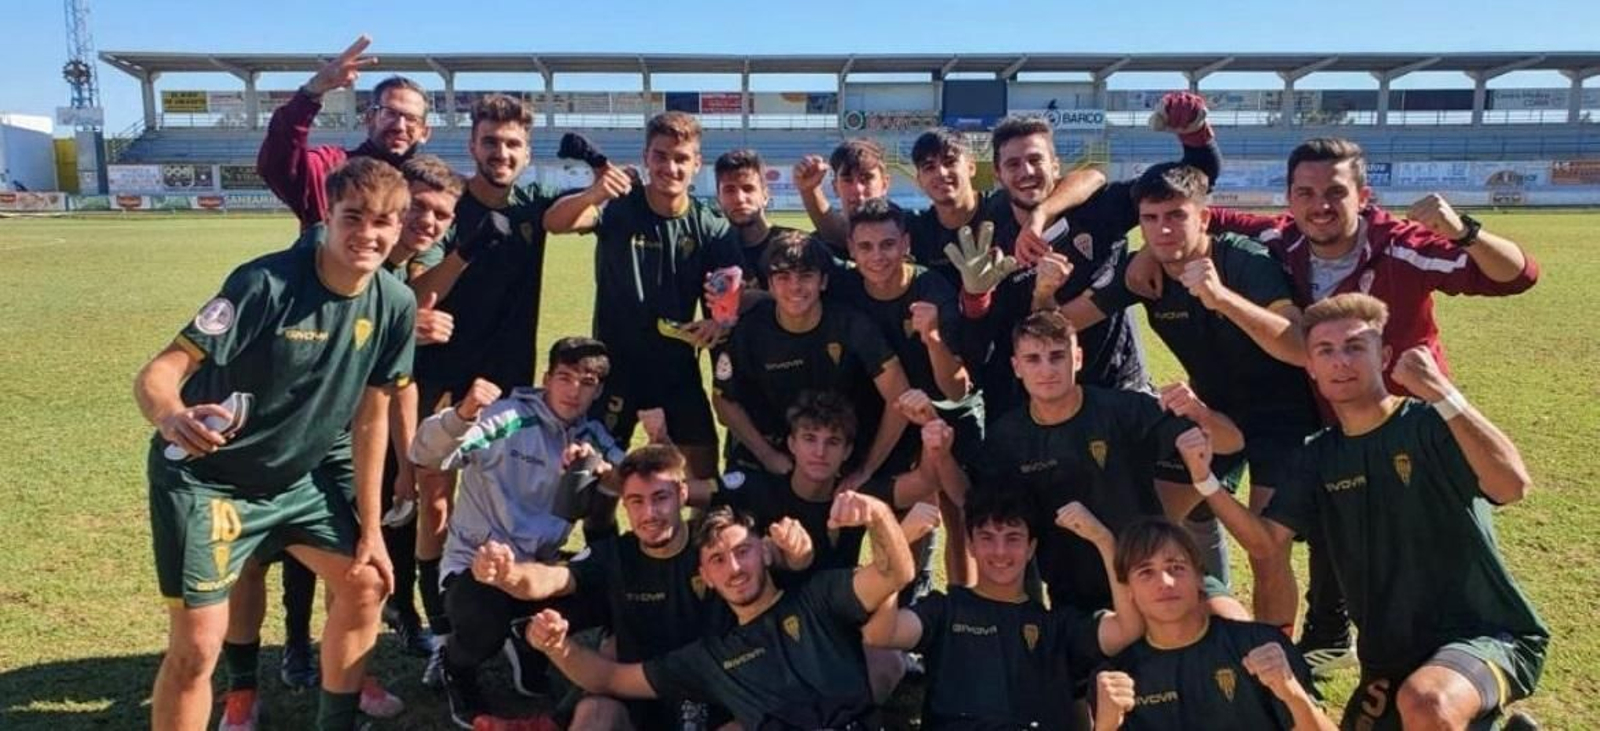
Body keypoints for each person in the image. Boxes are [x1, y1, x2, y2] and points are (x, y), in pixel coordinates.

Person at [1124, 136, 1542, 672]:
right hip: (1323, 417)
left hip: (1405, 416)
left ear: (1362, 194)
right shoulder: (1283, 235)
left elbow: (1517, 276)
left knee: (1423, 533)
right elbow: (1194, 216)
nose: (1320, 205)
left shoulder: (1399, 243)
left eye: (1335, 192)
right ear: (1291, 198)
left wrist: (1466, 231)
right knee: (1330, 528)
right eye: (1306, 193)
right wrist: (1146, 247)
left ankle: (1475, 645)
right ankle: (1318, 639)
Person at [135, 158, 415, 731]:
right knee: (196, 652)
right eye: (353, 217)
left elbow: (372, 417)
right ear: (327, 218)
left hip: (298, 483)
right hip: (208, 481)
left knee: (365, 584)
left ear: (400, 225)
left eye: (383, 221)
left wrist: (370, 529)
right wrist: (171, 416)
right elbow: (158, 373)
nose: (368, 234)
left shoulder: (395, 302)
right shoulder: (264, 283)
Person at [1181, 293, 1548, 730]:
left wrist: (1445, 394)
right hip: (1390, 661)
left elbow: (1513, 485)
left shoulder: (1430, 423)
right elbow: (1265, 543)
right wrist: (1204, 479)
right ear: (1311, 368)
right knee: (1418, 704)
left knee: (1429, 704)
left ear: (1385, 355)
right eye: (1325, 351)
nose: (1341, 361)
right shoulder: (1316, 457)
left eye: (1355, 346)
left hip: (1485, 635)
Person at [1065, 162, 1318, 627]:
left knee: (1266, 548)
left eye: (1176, 215)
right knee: (1150, 527)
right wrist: (1035, 295)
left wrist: (1221, 298)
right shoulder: (1145, 271)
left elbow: (1300, 347)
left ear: (1204, 217)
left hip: (1282, 422)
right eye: (1150, 218)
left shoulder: (1243, 261)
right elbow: (1068, 320)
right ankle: (1178, 632)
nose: (1163, 229)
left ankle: (1274, 653)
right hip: (1209, 415)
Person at [467, 443, 815, 730]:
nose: (650, 513)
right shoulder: (617, 554)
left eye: (660, 497)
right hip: (636, 687)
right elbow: (555, 578)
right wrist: (508, 575)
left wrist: (797, 555)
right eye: (636, 501)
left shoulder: (714, 549)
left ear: (681, 494)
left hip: (717, 693)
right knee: (594, 715)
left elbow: (773, 566)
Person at [524, 490, 918, 730]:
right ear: (705, 577)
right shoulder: (711, 658)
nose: (733, 569)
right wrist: (558, 648)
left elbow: (895, 572)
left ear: (765, 552)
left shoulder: (819, 598)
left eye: (742, 551)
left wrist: (879, 515)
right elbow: (610, 678)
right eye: (717, 560)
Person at [954, 93, 1222, 422]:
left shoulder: (1099, 209)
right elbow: (1000, 329)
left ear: (1055, 165)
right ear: (997, 175)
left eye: (1036, 160)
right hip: (1041, 401)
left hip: (1116, 386)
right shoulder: (991, 232)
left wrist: (1193, 131)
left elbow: (1198, 175)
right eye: (1013, 164)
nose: (1026, 171)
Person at [408, 338, 627, 727]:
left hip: (537, 571)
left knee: (613, 591)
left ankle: (526, 638)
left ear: (599, 390)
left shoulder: (591, 435)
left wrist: (606, 472)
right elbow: (426, 453)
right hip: (477, 568)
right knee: (484, 623)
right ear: (546, 378)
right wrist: (461, 415)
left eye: (587, 382)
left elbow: (635, 479)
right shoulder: (507, 417)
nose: (574, 391)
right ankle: (455, 666)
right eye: (565, 377)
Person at [976, 309, 1246, 617]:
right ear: (1016, 367)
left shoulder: (1123, 410)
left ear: (1077, 358)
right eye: (1033, 359)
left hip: (1155, 572)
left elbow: (1232, 443)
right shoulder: (1007, 440)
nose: (1047, 370)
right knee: (1110, 661)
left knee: (1234, 624)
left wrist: (1200, 415)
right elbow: (981, 513)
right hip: (1080, 597)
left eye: (1057, 356)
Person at [544, 111, 741, 478]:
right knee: (591, 483)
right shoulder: (619, 207)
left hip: (678, 370)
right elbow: (555, 222)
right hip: (614, 369)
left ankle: (698, 537)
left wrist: (719, 321)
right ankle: (601, 538)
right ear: (646, 158)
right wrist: (596, 191)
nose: (670, 167)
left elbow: (732, 289)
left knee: (704, 478)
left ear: (696, 164)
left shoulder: (709, 225)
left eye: (681, 158)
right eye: (661, 156)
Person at [862, 489, 1144, 729]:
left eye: (1013, 538)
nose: (1000, 551)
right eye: (987, 538)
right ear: (970, 545)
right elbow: (880, 633)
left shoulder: (1057, 625)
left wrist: (1104, 541)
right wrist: (898, 542)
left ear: (1031, 547)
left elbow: (1128, 627)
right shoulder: (945, 610)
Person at [1091, 519, 1334, 730]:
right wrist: (1105, 726)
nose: (1165, 581)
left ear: (1199, 579)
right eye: (1146, 572)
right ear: (1128, 590)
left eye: (1176, 567)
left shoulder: (1259, 646)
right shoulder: (1119, 676)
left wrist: (1293, 696)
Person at [711, 231, 911, 487]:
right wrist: (767, 455)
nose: (795, 286)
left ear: (823, 281)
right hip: (770, 458)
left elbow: (899, 397)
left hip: (838, 460)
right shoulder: (749, 331)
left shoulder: (852, 326)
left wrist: (866, 469)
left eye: (806, 276)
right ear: (770, 285)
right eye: (783, 277)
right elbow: (724, 400)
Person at [258, 35, 430, 228]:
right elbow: (279, 165)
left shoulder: (433, 187)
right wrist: (312, 91)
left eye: (411, 119)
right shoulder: (332, 168)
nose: (399, 125)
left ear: (425, 132)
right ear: (369, 119)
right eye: (389, 113)